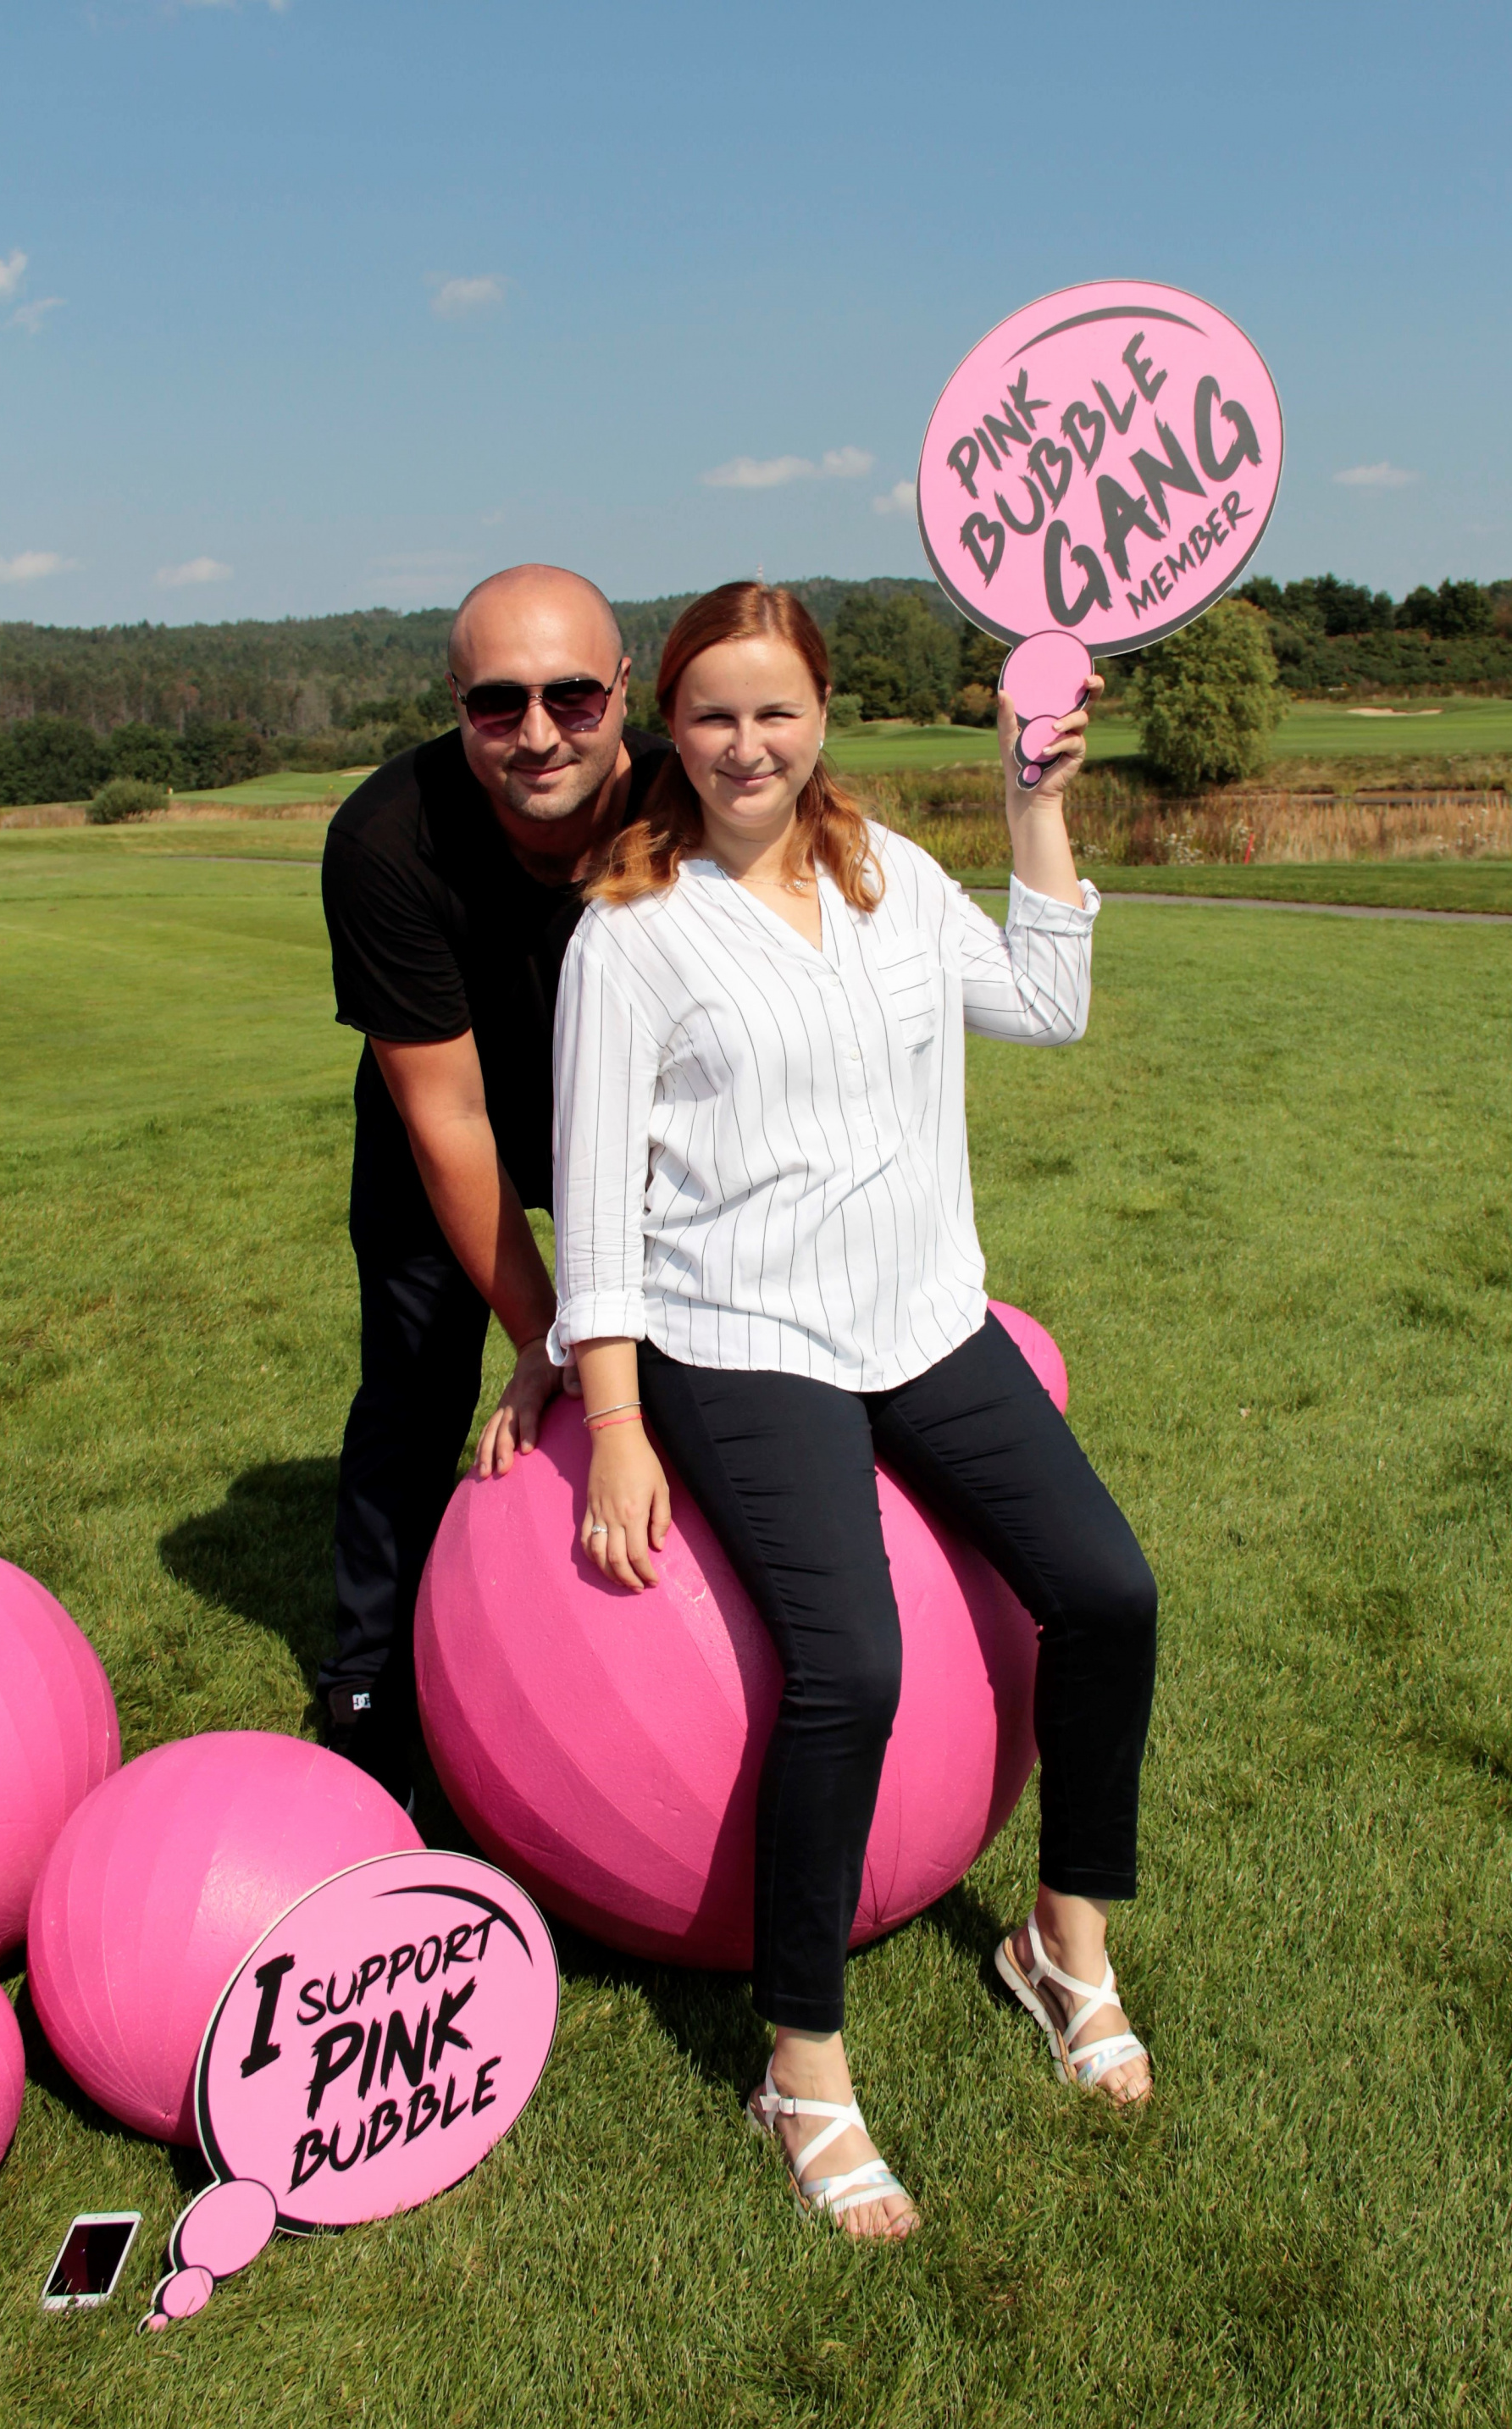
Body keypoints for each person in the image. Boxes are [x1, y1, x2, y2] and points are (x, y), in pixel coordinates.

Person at [529, 581, 1158, 2240]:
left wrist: (1034, 804)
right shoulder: (630, 934)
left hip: (923, 1315)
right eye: (714, 716)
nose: (747, 745)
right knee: (855, 1668)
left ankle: (1063, 1944)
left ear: (823, 717)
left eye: (776, 712)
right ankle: (802, 2067)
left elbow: (1048, 1007)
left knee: (1111, 1594)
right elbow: (595, 1205)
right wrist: (615, 1423)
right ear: (672, 730)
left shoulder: (889, 873)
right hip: (742, 1340)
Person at [318, 564, 669, 1803]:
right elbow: (452, 1121)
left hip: (630, 1116)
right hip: (451, 1108)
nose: (537, 733)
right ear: (454, 703)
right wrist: (541, 1332)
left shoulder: (688, 802)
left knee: (680, 1361)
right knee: (415, 1389)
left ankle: (668, 1649)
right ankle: (371, 1691)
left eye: (572, 696)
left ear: (624, 689)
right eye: (496, 703)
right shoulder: (384, 837)